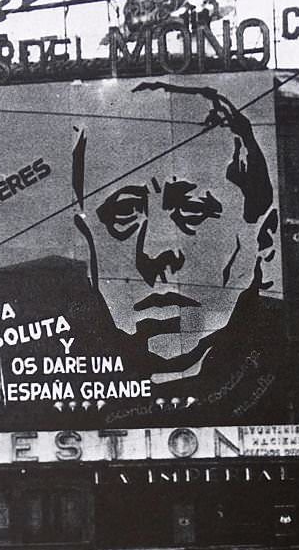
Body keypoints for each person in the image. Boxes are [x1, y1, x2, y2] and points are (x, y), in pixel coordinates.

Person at [72, 80, 283, 420]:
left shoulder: (279, 363)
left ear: (265, 238)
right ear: (87, 244)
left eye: (194, 210)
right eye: (124, 212)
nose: (158, 249)